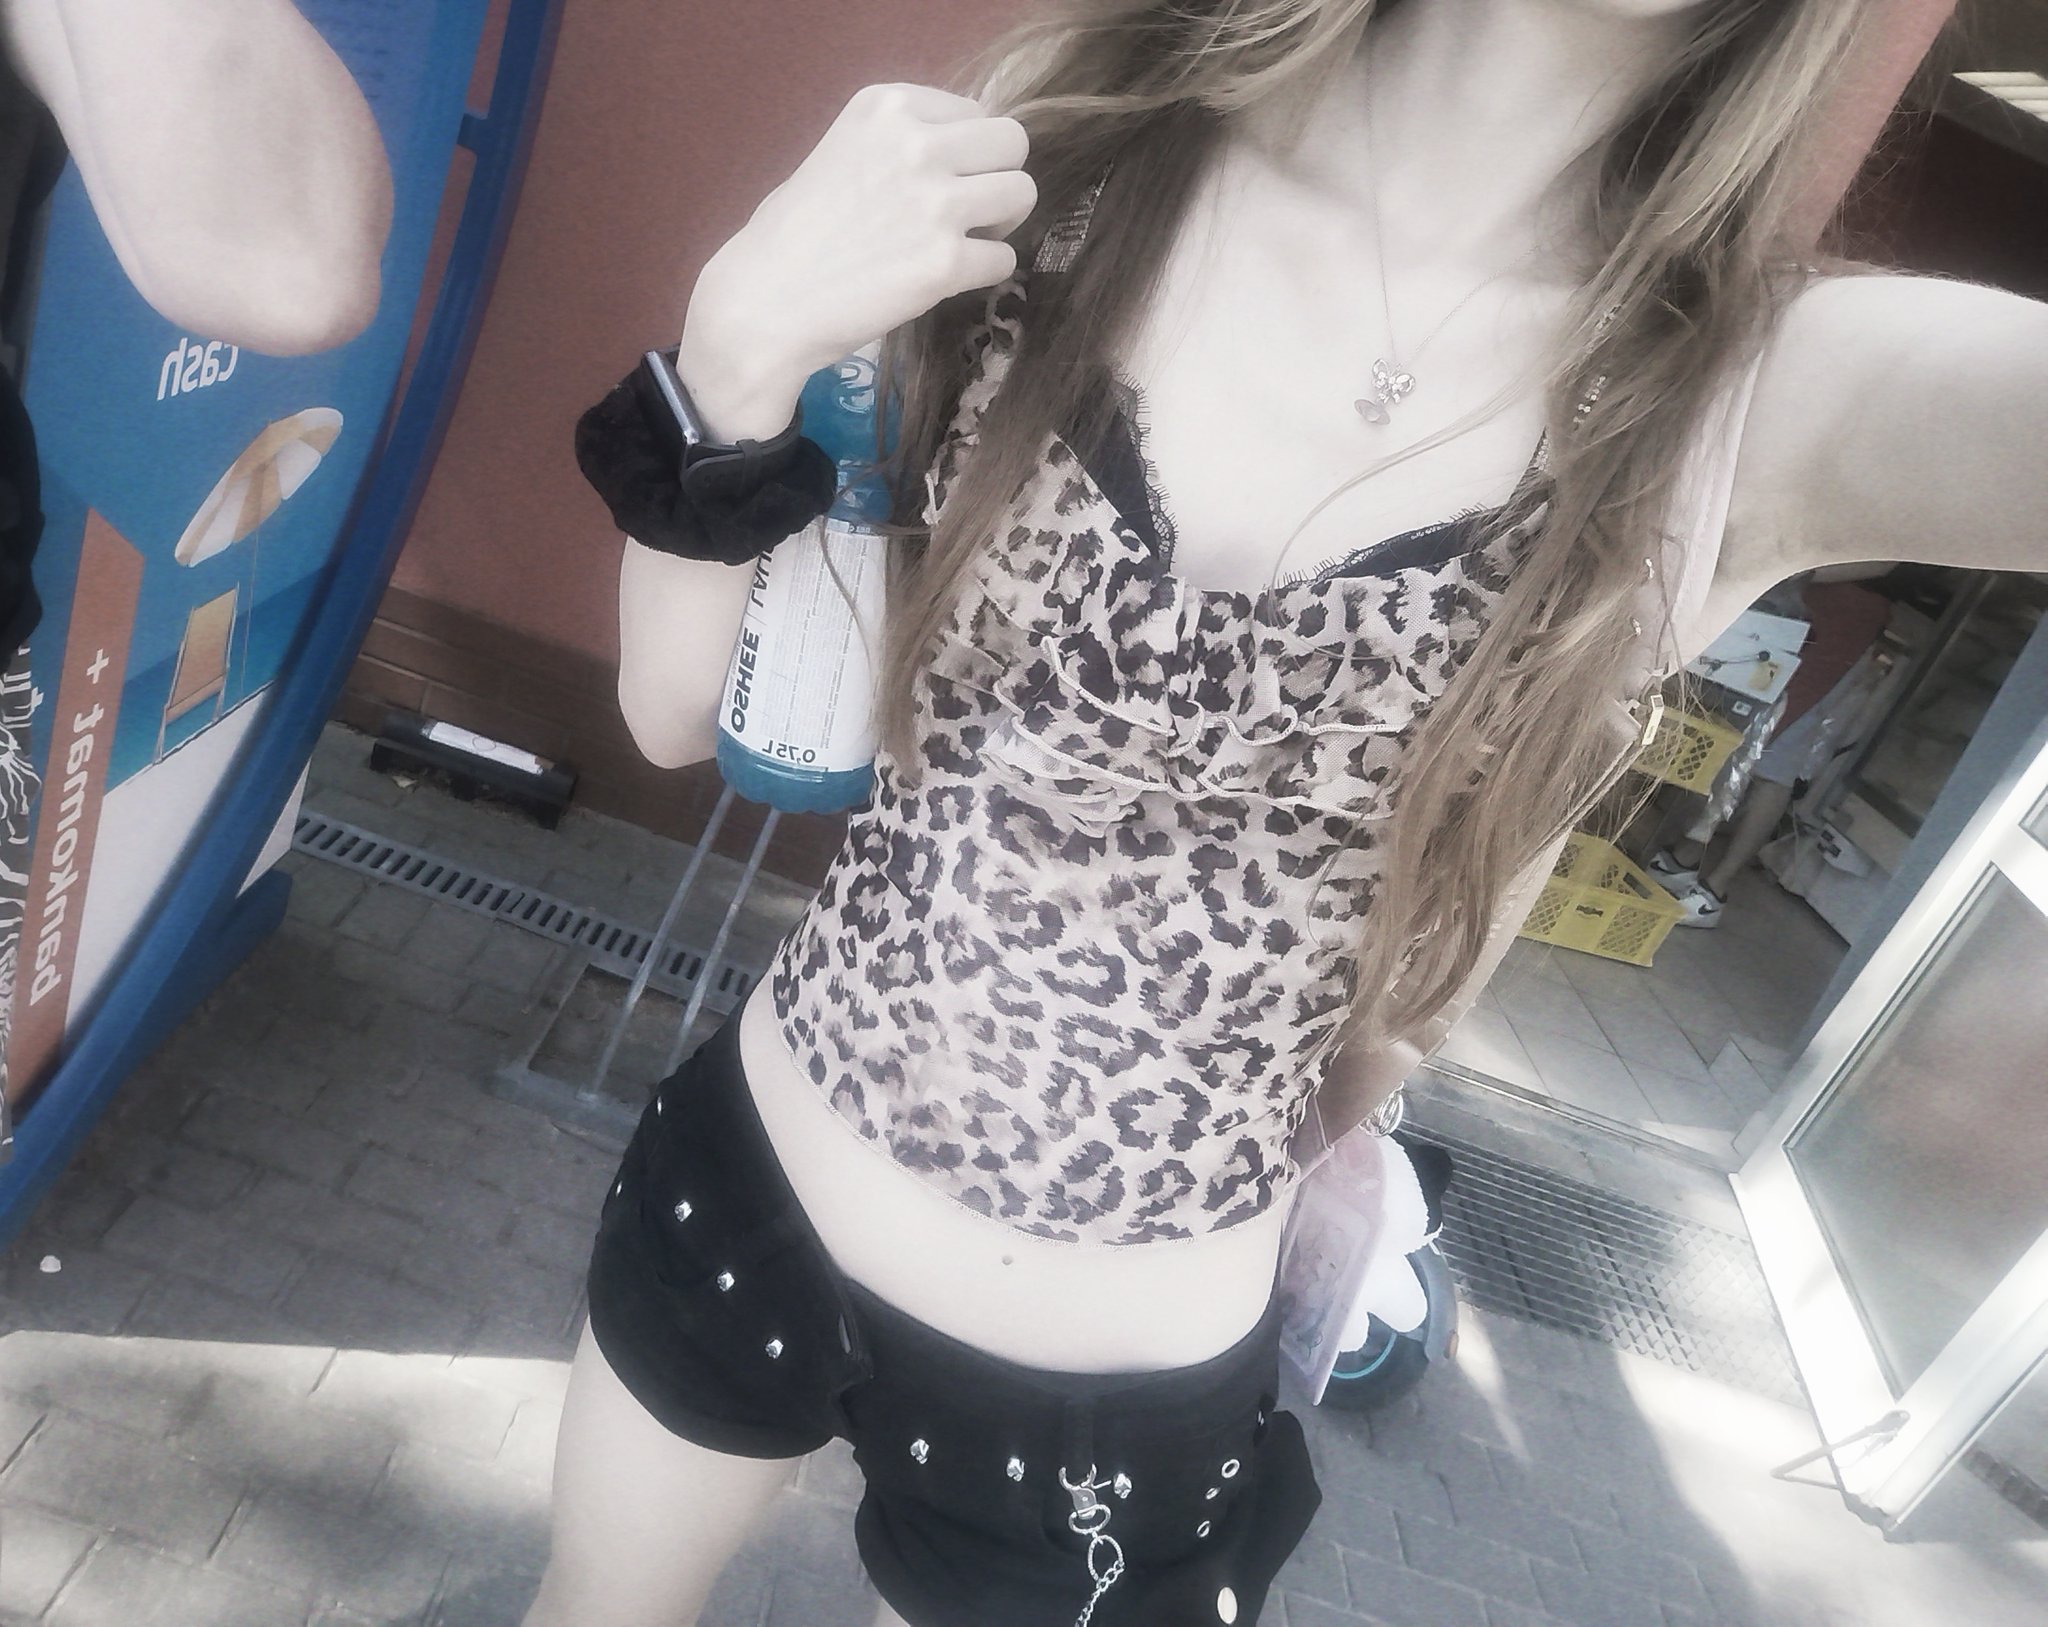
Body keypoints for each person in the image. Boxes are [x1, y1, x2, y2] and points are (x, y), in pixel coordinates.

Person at [544, 3, 2048, 1624]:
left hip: (1106, 1420)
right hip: (748, 1189)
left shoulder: (1757, 394)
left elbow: (1420, 984)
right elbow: (674, 712)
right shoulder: (1075, 138)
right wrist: (737, 345)